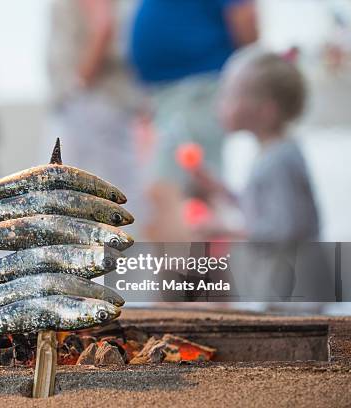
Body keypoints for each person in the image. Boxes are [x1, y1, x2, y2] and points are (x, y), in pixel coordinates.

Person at [193, 48, 327, 302]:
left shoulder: (277, 161)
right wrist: (220, 189)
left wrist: (225, 228)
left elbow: (281, 231)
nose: (219, 104)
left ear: (266, 111)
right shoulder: (273, 152)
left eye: (230, 95)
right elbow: (262, 209)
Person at [128, 0, 258, 241]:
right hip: (169, 94)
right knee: (195, 193)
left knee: (170, 191)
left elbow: (246, 22)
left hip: (198, 90)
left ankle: (185, 276)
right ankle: (197, 274)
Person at [46, 0, 143, 236]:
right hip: (95, 100)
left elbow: (103, 25)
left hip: (92, 99)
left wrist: (78, 83)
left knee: (73, 189)